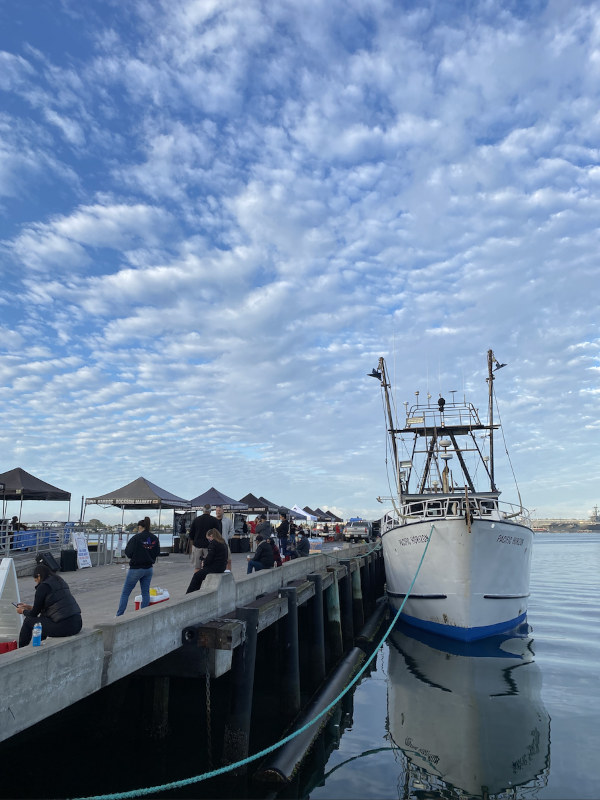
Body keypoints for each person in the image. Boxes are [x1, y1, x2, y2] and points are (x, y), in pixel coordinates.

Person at [16, 563, 82, 647]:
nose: (36, 582)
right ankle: (40, 645)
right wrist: (29, 607)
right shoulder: (59, 581)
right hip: (77, 624)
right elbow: (53, 607)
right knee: (42, 619)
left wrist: (22, 611)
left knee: (28, 621)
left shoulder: (43, 587)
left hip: (65, 628)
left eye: (35, 580)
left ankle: (22, 649)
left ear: (39, 576)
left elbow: (34, 614)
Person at [116, 518, 160, 616]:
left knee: (126, 592)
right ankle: (143, 614)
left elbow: (128, 552)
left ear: (140, 527)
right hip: (149, 568)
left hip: (136, 568)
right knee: (145, 592)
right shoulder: (154, 538)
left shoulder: (136, 538)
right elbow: (157, 552)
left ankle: (119, 615)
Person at [189, 504, 217, 573]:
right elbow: (217, 534)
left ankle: (197, 581)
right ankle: (207, 582)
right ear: (210, 511)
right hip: (209, 546)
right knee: (208, 566)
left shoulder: (196, 520)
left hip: (197, 545)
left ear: (203, 510)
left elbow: (191, 534)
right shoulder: (214, 520)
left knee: (197, 567)